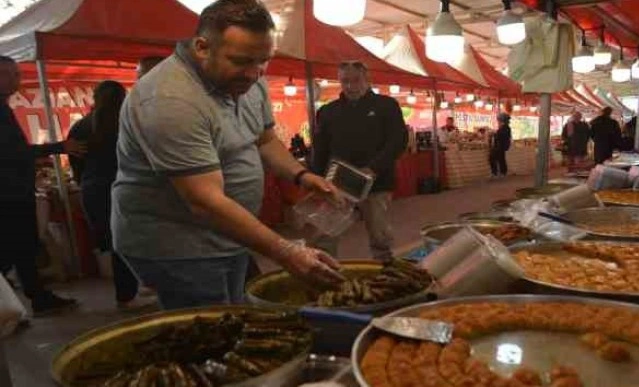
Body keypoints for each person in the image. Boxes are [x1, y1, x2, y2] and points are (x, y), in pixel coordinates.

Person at [112, 0, 344, 310]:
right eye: (241, 61)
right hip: (179, 244)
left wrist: (301, 175)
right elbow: (204, 202)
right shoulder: (169, 100)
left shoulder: (250, 80)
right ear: (202, 47)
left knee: (236, 310)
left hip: (227, 235)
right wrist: (287, 252)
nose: (254, 73)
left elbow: (264, 139)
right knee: (211, 325)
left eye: (264, 60)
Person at [0, 55, 83, 316]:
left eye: (17, 73)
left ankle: (36, 297)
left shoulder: (5, 107)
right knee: (15, 248)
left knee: (21, 248)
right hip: (8, 193)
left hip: (14, 190)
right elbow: (11, 151)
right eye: (9, 74)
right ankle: (30, 299)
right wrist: (58, 147)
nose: (17, 79)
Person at [69, 81, 156, 309]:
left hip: (93, 189)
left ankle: (130, 291)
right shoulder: (130, 124)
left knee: (115, 242)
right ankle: (127, 295)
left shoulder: (80, 126)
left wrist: (83, 183)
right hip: (126, 187)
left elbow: (75, 162)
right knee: (129, 241)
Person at [312, 61, 407, 261]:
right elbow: (320, 149)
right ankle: (325, 274)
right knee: (324, 235)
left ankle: (387, 273)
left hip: (376, 182)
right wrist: (316, 179)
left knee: (379, 236)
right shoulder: (328, 112)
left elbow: (398, 141)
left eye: (356, 80)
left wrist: (373, 168)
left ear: (367, 79)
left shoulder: (386, 106)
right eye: (344, 81)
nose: (350, 86)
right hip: (338, 183)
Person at [489, 113, 512, 178]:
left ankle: (498, 172)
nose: (498, 121)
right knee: (500, 159)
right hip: (500, 146)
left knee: (495, 158)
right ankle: (500, 172)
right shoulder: (504, 127)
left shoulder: (506, 128)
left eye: (499, 120)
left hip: (500, 146)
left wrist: (494, 133)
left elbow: (501, 136)